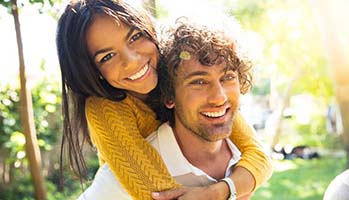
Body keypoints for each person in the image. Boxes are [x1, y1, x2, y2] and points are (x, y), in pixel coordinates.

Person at [56, 0, 272, 199]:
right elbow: (161, 195)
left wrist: (222, 190)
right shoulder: (105, 109)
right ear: (93, 71)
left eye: (134, 37)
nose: (132, 61)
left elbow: (258, 155)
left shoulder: (175, 68)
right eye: (107, 56)